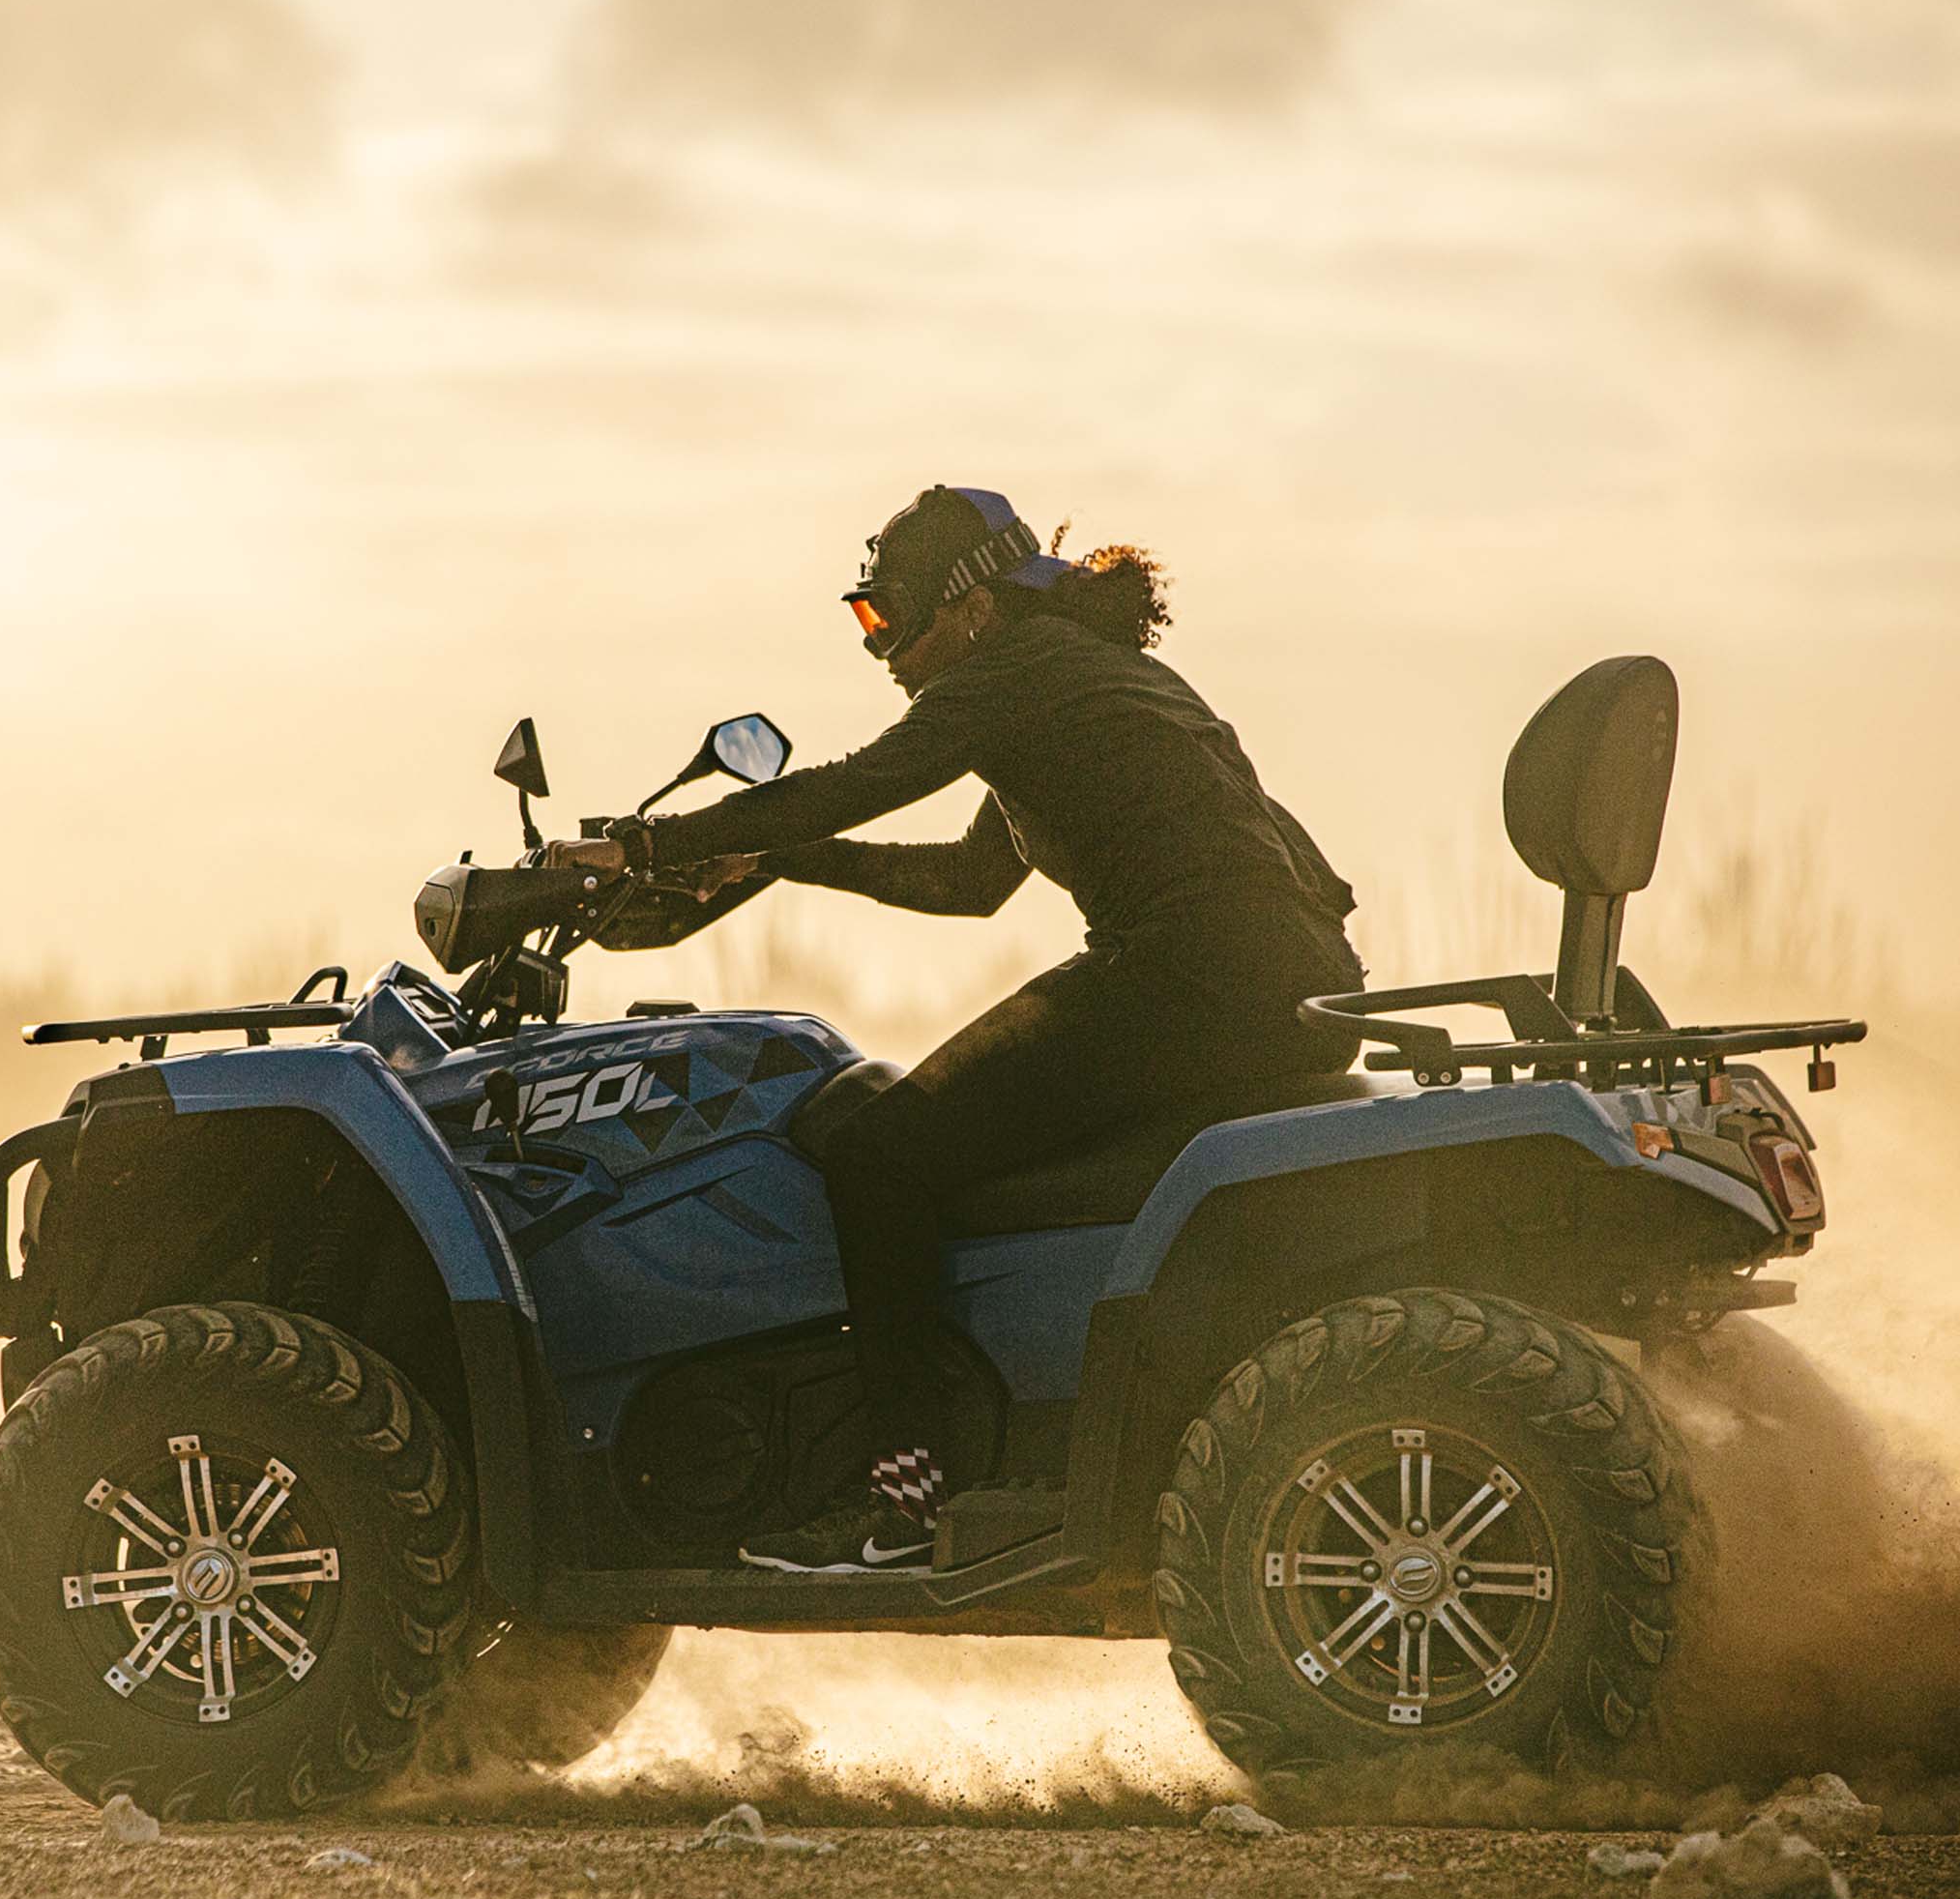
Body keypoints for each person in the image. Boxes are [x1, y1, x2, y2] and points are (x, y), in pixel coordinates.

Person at [546, 484, 1364, 1573]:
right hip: (1286, 986)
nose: (879, 645)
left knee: (879, 1152)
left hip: (1185, 976)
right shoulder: (1075, 676)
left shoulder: (1014, 674)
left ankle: (904, 1492)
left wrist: (646, 847)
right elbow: (971, 882)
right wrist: (783, 859)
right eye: (862, 619)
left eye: (889, 614)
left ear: (971, 603)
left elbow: (853, 784)